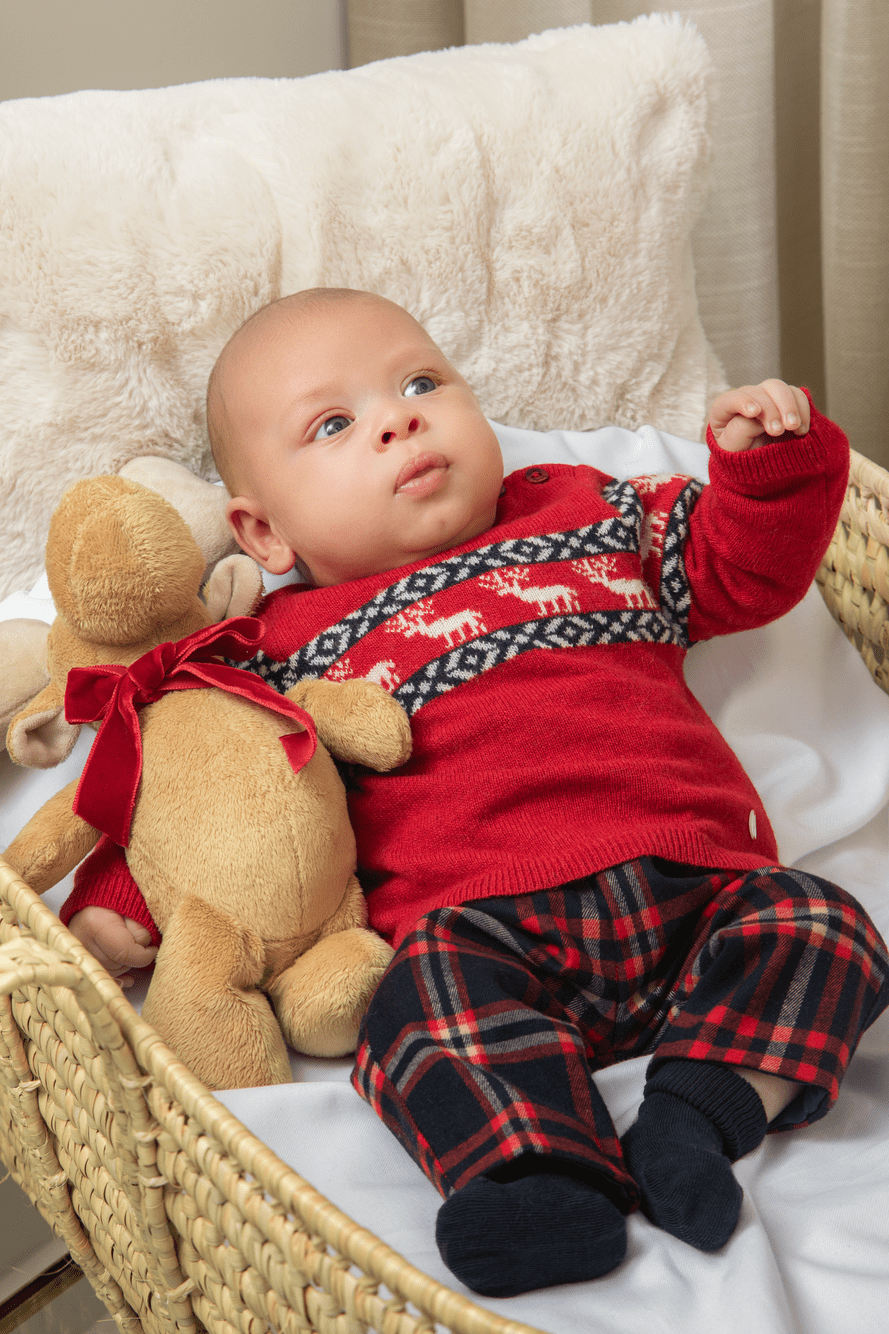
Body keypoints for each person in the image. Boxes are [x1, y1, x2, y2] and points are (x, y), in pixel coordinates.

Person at [63, 288, 889, 1297]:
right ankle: (539, 1171)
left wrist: (763, 469)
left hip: (697, 884)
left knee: (825, 923)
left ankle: (701, 1110)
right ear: (263, 531)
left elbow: (740, 569)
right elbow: (215, 808)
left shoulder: (591, 511)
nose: (399, 418)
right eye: (334, 424)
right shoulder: (283, 644)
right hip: (481, 927)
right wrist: (120, 905)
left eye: (421, 383)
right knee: (409, 1012)